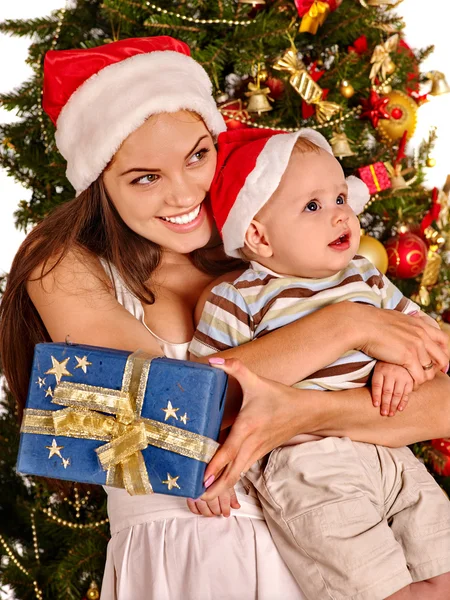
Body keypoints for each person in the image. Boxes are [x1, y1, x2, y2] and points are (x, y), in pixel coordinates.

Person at [0, 36, 449, 600]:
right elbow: (150, 416)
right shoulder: (66, 263)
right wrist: (345, 325)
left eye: (197, 155)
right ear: (99, 181)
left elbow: (441, 403)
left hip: (326, 560)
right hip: (184, 562)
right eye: (145, 177)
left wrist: (300, 412)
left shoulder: (274, 242)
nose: (184, 193)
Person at [190, 127, 450, 600]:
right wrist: (206, 472)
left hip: (389, 450)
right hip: (308, 468)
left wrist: (403, 366)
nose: (339, 215)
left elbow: (428, 341)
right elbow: (201, 395)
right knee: (376, 589)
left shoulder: (366, 278)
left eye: (338, 197)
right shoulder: (237, 299)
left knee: (443, 573)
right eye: (313, 206)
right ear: (258, 236)